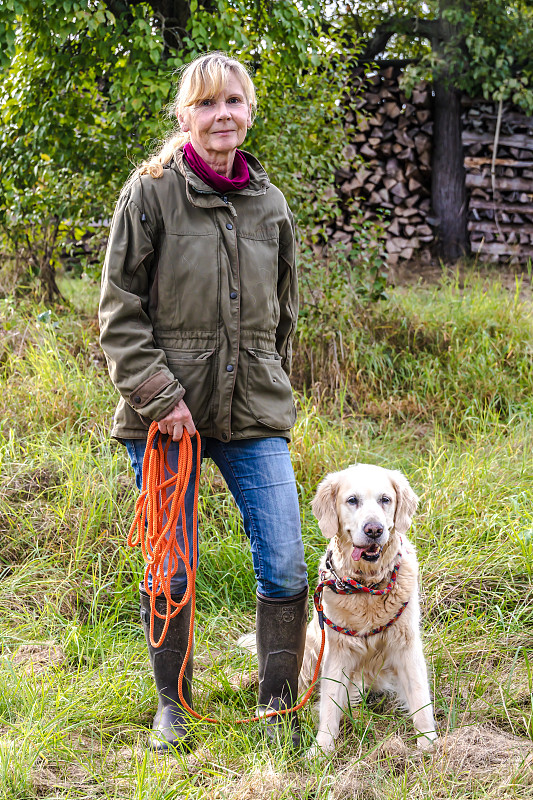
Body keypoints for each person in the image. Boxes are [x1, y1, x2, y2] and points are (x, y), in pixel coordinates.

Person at [99, 52, 308, 752]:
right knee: (172, 565)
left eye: (235, 102)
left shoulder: (269, 203)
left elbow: (283, 313)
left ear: (249, 112)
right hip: (167, 422)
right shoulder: (150, 192)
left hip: (253, 411)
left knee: (284, 560)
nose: (223, 115)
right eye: (208, 103)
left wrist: (262, 376)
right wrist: (161, 397)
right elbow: (118, 311)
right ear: (184, 115)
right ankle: (173, 707)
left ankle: (278, 705)